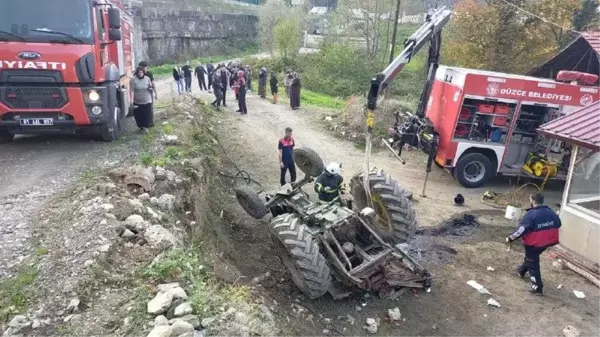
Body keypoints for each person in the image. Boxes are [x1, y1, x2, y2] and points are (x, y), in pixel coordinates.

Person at [506, 193, 561, 296]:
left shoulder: (531, 214)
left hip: (534, 244)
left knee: (533, 263)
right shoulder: (550, 211)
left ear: (533, 201)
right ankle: (521, 271)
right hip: (548, 242)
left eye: (530, 199)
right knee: (531, 258)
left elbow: (521, 230)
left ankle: (537, 288)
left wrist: (510, 238)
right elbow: (558, 223)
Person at [129, 66, 154, 133]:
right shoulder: (133, 80)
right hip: (137, 100)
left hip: (147, 99)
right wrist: (131, 100)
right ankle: (141, 126)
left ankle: (146, 127)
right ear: (137, 73)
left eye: (142, 72)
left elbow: (150, 87)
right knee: (138, 115)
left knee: (147, 114)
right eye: (139, 72)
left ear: (144, 73)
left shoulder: (147, 79)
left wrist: (151, 89)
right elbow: (132, 91)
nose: (140, 74)